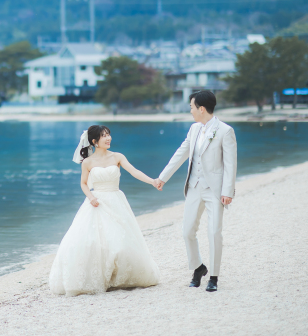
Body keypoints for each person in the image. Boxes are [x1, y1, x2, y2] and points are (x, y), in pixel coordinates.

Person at [49, 125, 160, 295]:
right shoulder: (87, 162)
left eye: (108, 134)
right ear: (95, 141)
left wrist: (152, 181)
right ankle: (100, 278)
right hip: (97, 203)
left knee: (120, 242)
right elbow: (83, 183)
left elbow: (134, 171)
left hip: (116, 201)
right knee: (94, 242)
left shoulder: (117, 156)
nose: (108, 138)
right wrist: (91, 197)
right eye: (104, 136)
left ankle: (119, 277)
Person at [153, 90, 237, 292]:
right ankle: (199, 268)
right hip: (193, 187)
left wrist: (228, 191)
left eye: (191, 107)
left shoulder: (225, 131)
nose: (190, 111)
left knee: (214, 232)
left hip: (214, 190)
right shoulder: (194, 129)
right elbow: (181, 153)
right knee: (187, 231)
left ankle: (214, 277)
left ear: (202, 109)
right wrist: (163, 177)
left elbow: (230, 164)